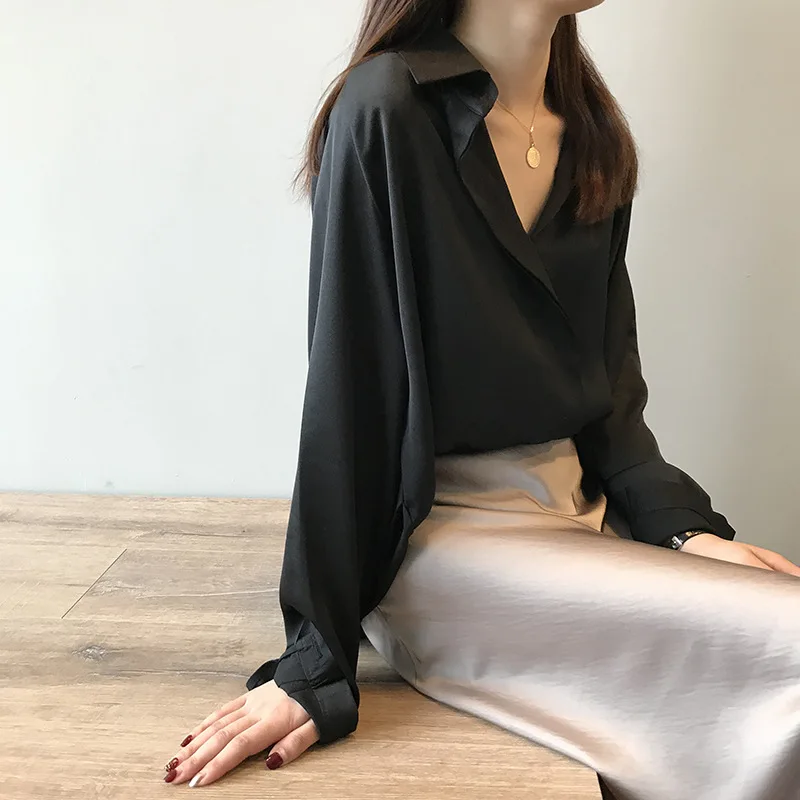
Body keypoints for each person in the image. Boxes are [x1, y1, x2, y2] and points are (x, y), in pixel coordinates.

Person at [161, 2, 800, 798]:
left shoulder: (590, 133)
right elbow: (347, 399)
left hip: (584, 515)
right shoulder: (386, 109)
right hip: (444, 537)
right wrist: (313, 661)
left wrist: (683, 528)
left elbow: (609, 393)